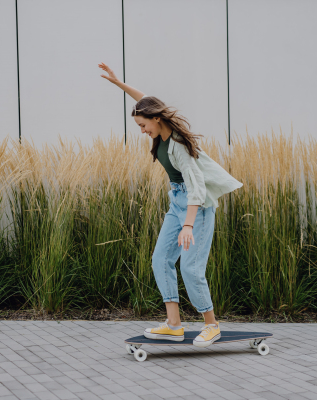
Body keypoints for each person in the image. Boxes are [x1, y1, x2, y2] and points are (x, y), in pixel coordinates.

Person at [99, 62, 243, 347]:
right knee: (161, 259)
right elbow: (144, 99)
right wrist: (118, 83)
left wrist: (188, 225)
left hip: (196, 208)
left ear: (155, 119)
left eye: (142, 125)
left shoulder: (177, 144)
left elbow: (197, 187)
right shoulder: (160, 128)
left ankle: (211, 325)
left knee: (190, 268)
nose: (141, 131)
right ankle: (174, 324)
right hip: (176, 202)